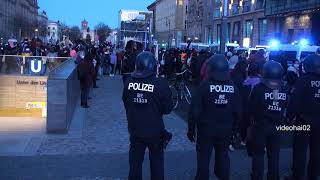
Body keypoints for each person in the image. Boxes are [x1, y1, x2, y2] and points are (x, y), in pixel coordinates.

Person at [188, 54, 242, 180]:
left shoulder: (204, 86)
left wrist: (191, 129)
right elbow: (238, 111)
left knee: (203, 157)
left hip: (206, 129)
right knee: (223, 155)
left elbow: (194, 110)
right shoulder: (233, 87)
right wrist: (235, 129)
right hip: (225, 129)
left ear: (210, 68)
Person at [122, 52, 173, 180]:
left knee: (135, 164)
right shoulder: (160, 83)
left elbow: (126, 103)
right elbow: (167, 108)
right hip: (155, 130)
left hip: (135, 129)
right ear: (152, 66)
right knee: (157, 164)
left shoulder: (129, 82)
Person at [248, 61, 288, 180]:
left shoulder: (259, 88)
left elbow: (251, 107)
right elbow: (285, 105)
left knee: (258, 155)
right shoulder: (283, 89)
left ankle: (257, 177)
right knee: (274, 155)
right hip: (277, 127)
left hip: (260, 126)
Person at [286, 55, 320, 180]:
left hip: (304, 121)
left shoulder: (304, 80)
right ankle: (313, 175)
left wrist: (289, 117)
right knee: (316, 150)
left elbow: (295, 101)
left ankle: (297, 175)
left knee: (300, 151)